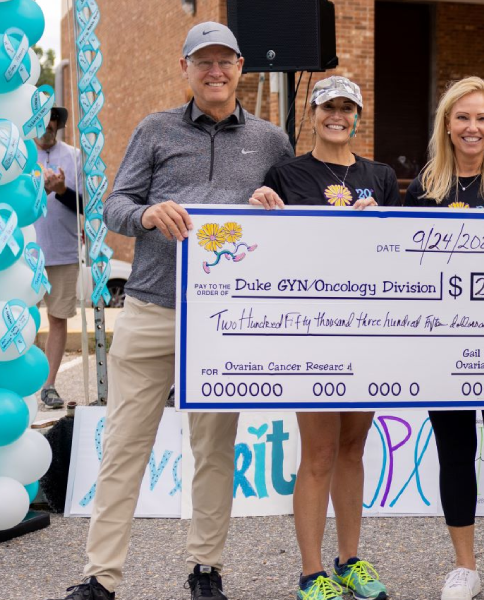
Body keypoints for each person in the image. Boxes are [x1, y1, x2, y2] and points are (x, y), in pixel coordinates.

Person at [52, 22, 294, 600]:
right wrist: (147, 215)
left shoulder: (271, 140)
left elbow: (295, 222)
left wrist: (276, 205)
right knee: (124, 446)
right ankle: (101, 577)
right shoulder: (155, 129)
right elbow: (113, 206)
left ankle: (206, 567)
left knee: (214, 448)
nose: (215, 72)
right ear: (185, 69)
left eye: (225, 61)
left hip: (225, 321)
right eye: (202, 62)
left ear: (241, 68)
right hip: (154, 306)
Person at [249, 75, 397, 600]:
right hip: (310, 332)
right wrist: (259, 205)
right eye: (328, 106)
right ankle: (312, 574)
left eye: (347, 107)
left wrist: (381, 222)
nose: (338, 115)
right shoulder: (287, 173)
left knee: (354, 448)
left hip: (366, 329)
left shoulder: (380, 177)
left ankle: (350, 559)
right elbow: (266, 247)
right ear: (311, 112)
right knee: (317, 452)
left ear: (358, 116)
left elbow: (395, 258)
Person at [404, 76, 484, 600]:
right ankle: (464, 566)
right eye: (463, 118)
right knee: (454, 456)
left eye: (482, 118)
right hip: (443, 348)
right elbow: (405, 264)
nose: (472, 127)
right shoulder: (423, 188)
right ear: (447, 124)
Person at [32, 106, 82, 410]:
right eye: (42, 125)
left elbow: (84, 207)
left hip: (63, 251)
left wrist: (62, 189)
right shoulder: (18, 155)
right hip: (21, 254)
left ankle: (49, 385)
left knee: (57, 318)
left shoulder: (74, 156)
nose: (47, 130)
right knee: (14, 318)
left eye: (52, 125)